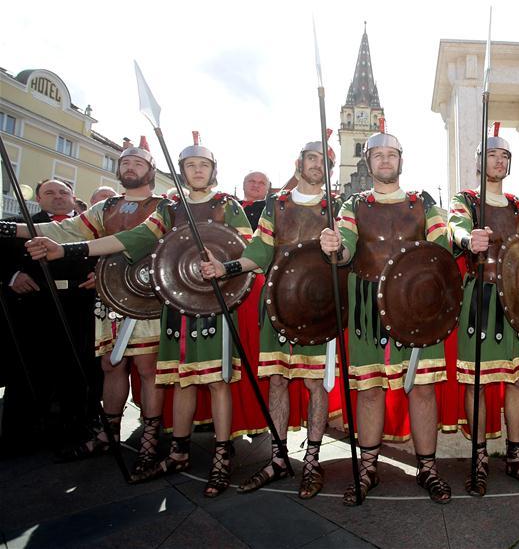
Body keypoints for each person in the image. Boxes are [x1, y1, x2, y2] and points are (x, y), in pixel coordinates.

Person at [26, 132, 252, 496]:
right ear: (181, 171)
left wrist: (225, 266)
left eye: (204, 165)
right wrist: (70, 251)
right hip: (177, 303)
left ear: (214, 171)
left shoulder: (228, 204)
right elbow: (131, 240)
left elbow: (247, 248)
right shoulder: (169, 207)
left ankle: (222, 457)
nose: (197, 170)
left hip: (215, 303)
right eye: (191, 165)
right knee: (180, 378)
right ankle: (177, 450)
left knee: (217, 380)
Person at [1, 137, 166, 473]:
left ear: (150, 170)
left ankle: (150, 439)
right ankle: (109, 433)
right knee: (110, 365)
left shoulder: (165, 206)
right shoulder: (104, 208)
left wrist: (69, 250)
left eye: (137, 162)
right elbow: (63, 229)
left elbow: (137, 240)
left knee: (148, 370)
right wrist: (6, 227)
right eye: (124, 162)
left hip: (147, 296)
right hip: (109, 297)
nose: (129, 166)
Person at [320, 122, 452, 505]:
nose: (385, 160)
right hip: (367, 308)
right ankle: (368, 468)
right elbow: (345, 249)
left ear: (400, 161)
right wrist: (334, 247)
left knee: (423, 389)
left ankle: (427, 468)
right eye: (378, 154)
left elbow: (441, 243)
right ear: (368, 160)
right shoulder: (353, 204)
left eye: (391, 154)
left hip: (418, 307)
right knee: (370, 389)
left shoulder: (423, 201)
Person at [200, 138, 340, 498]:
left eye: (323, 161)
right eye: (311, 158)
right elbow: (259, 251)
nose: (315, 165)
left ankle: (311, 460)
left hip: (318, 306)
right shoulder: (275, 205)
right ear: (299, 163)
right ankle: (278, 458)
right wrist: (226, 267)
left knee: (314, 384)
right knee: (277, 380)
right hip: (277, 302)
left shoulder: (336, 206)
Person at [448, 123, 519, 496]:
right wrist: (468, 238)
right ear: (479, 161)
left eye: (505, 155)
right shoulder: (467, 200)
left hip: (517, 301)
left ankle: (516, 456)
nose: (500, 160)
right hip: (480, 298)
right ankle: (479, 456)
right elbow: (454, 227)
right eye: (492, 154)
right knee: (478, 380)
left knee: (517, 379)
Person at [0, 179, 96, 454]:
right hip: (33, 309)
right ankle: (18, 436)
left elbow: (109, 255)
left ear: (74, 197)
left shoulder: (90, 227)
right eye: (50, 193)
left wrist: (100, 274)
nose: (58, 197)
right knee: (28, 371)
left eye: (63, 192)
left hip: (79, 307)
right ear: (39, 199)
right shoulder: (18, 225)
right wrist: (12, 275)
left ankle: (74, 433)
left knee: (76, 371)